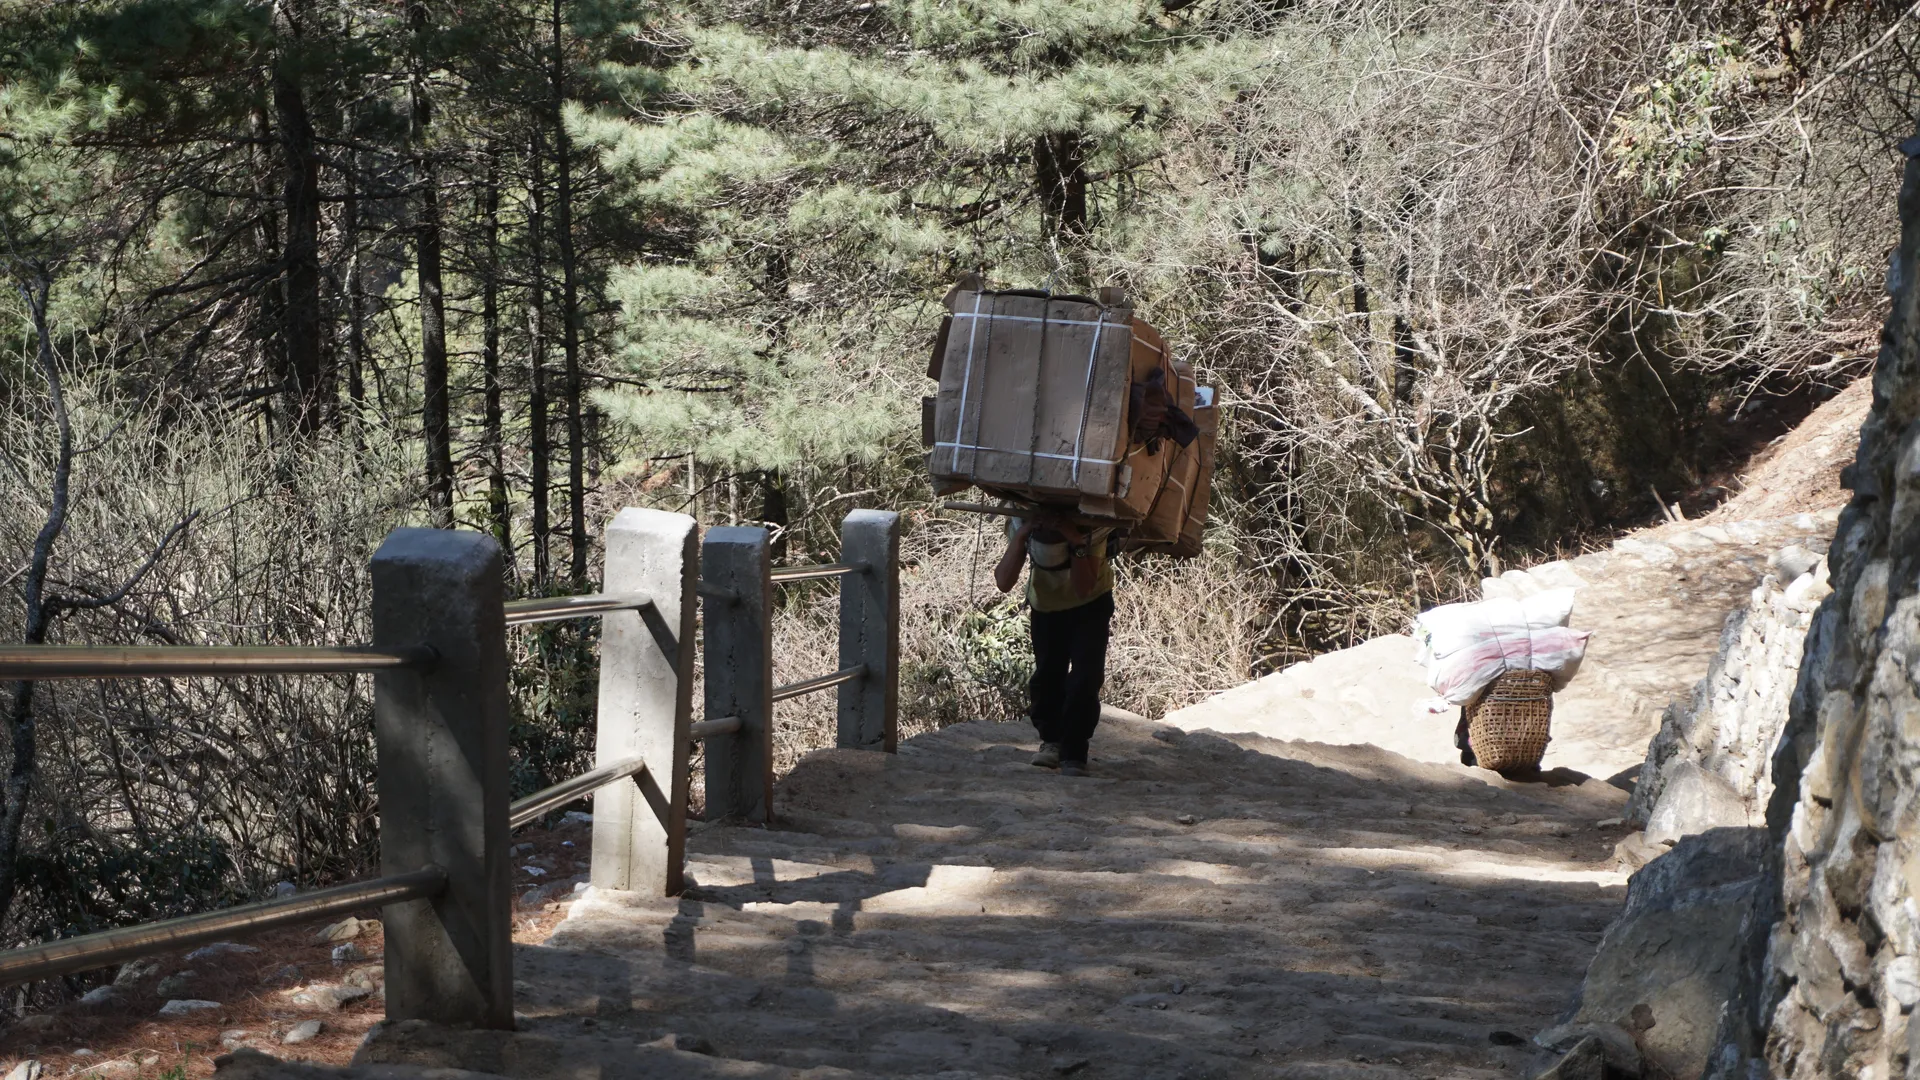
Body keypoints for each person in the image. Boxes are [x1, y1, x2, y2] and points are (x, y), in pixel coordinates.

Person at [993, 512, 1115, 777]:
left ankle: (1074, 753)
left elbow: (1084, 588)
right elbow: (1003, 581)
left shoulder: (1093, 526)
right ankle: (1051, 742)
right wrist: (1023, 534)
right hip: (1045, 606)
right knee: (1048, 676)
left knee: (1085, 678)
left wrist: (1075, 540)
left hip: (1091, 604)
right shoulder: (1021, 524)